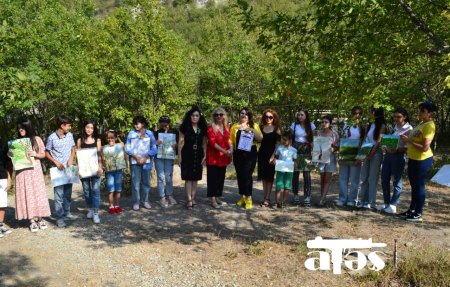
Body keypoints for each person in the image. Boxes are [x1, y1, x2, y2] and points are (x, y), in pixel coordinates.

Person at [400, 100, 437, 222]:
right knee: (414, 185)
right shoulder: (421, 124)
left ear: (430, 113)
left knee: (419, 185)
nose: (420, 113)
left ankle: (418, 213)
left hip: (422, 160)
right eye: (419, 110)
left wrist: (409, 141)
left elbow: (425, 147)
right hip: (413, 159)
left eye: (423, 111)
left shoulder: (429, 126)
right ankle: (412, 209)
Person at [45, 115, 78, 228]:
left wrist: (71, 159)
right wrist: (55, 162)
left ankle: (67, 213)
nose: (70, 127)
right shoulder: (51, 138)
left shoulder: (70, 135)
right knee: (59, 195)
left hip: (69, 169)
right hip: (58, 170)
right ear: (62, 125)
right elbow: (46, 152)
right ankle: (59, 218)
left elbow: (73, 149)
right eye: (68, 125)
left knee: (68, 193)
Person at [380, 108, 413, 214]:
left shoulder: (409, 129)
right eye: (394, 117)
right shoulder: (394, 127)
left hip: (399, 157)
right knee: (384, 179)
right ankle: (386, 203)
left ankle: (393, 205)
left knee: (396, 181)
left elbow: (408, 146)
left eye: (398, 117)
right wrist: (386, 146)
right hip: (388, 156)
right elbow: (390, 141)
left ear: (405, 117)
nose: (396, 119)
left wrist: (397, 150)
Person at [230, 107, 263, 209]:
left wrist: (251, 130)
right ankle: (242, 197)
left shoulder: (254, 125)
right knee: (240, 175)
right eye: (242, 113)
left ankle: (249, 198)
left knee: (247, 176)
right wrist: (231, 150)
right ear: (239, 114)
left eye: (246, 114)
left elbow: (260, 138)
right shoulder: (234, 126)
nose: (244, 115)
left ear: (249, 116)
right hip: (238, 153)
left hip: (250, 153)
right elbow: (230, 140)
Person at [125, 115, 157, 211]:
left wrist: (145, 157)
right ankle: (136, 202)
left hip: (146, 162)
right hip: (135, 162)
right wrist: (137, 157)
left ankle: (145, 201)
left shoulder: (149, 134)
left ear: (143, 123)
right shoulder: (131, 134)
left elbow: (154, 148)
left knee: (146, 182)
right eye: (134, 124)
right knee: (135, 183)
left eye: (137, 123)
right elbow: (127, 148)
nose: (135, 125)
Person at [178, 106, 207, 209]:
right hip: (187, 153)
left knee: (195, 178)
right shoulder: (184, 127)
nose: (195, 117)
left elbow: (204, 143)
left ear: (199, 117)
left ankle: (193, 198)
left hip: (198, 154)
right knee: (188, 178)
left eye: (197, 115)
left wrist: (205, 154)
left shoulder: (202, 128)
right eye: (193, 115)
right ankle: (189, 199)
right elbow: (180, 142)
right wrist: (179, 157)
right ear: (189, 116)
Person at [358, 106, 386, 209]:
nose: (369, 114)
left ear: (375, 112)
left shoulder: (382, 126)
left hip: (376, 153)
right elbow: (365, 138)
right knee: (364, 177)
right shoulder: (369, 125)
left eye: (371, 112)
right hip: (366, 151)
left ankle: (371, 202)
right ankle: (362, 200)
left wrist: (371, 155)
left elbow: (378, 141)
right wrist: (362, 153)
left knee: (372, 178)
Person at [337, 106, 364, 207]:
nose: (356, 115)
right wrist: (340, 154)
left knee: (354, 178)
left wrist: (360, 156)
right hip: (345, 153)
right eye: (354, 113)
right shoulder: (346, 125)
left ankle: (352, 199)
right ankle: (342, 198)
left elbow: (364, 142)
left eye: (359, 113)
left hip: (356, 154)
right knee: (343, 177)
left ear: (361, 115)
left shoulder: (363, 126)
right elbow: (342, 140)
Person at [77, 120, 103, 224]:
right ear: (84, 127)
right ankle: (91, 208)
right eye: (88, 127)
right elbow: (78, 157)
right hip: (84, 171)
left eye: (92, 128)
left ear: (94, 129)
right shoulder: (80, 140)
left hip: (95, 170)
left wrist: (100, 168)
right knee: (87, 192)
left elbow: (100, 155)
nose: (89, 129)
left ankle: (96, 213)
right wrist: (78, 169)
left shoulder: (97, 140)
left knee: (96, 191)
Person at [206, 108, 232, 209]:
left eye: (221, 114)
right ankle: (212, 199)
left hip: (223, 158)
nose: (218, 116)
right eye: (216, 115)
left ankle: (217, 197)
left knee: (220, 178)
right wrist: (225, 151)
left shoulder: (227, 127)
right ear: (214, 116)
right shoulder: (210, 127)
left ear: (224, 116)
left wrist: (231, 149)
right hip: (213, 157)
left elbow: (229, 140)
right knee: (212, 178)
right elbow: (212, 143)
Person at [290, 108, 315, 206]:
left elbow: (313, 139)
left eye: (302, 115)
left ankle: (307, 196)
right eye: (299, 115)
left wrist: (316, 150)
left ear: (306, 116)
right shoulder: (294, 125)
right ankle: (295, 195)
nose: (300, 117)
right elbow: (290, 138)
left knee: (307, 174)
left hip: (306, 149)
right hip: (295, 148)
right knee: (295, 173)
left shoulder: (311, 125)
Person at [257, 109, 281, 207]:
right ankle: (264, 197)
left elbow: (278, 144)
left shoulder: (277, 129)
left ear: (274, 118)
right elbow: (257, 140)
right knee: (263, 177)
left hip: (271, 155)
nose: (268, 119)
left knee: (270, 177)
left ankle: (267, 198)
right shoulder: (261, 127)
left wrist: (273, 156)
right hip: (262, 154)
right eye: (266, 117)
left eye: (270, 117)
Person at [154, 116, 178, 208]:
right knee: (161, 176)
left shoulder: (174, 132)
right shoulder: (156, 133)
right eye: (162, 122)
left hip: (169, 156)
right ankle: (162, 197)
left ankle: (169, 195)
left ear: (169, 123)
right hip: (159, 157)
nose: (164, 124)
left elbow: (179, 143)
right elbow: (152, 145)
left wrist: (176, 146)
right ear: (160, 123)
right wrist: (155, 143)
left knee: (168, 176)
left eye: (166, 122)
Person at [316, 115, 339, 207]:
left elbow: (337, 146)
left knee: (327, 179)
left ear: (330, 124)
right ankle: (322, 197)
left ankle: (322, 199)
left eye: (326, 122)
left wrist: (332, 149)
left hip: (330, 158)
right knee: (322, 179)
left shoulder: (334, 134)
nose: (324, 124)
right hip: (320, 158)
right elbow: (315, 146)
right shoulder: (318, 133)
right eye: (323, 122)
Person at [102, 129, 127, 215]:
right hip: (109, 172)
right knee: (110, 190)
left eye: (112, 138)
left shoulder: (120, 146)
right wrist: (103, 166)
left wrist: (126, 165)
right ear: (106, 138)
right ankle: (111, 206)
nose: (110, 140)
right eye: (108, 138)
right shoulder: (104, 148)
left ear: (116, 138)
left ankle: (117, 205)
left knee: (118, 189)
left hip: (119, 171)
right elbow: (102, 159)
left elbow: (125, 156)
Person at [273, 132, 297, 209]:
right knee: (278, 185)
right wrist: (274, 160)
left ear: (290, 140)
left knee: (287, 186)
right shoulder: (280, 148)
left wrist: (295, 164)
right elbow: (276, 157)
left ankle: (284, 202)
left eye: (285, 139)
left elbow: (295, 160)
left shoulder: (294, 150)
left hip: (289, 170)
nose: (283, 141)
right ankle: (276, 202)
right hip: (280, 169)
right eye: (283, 139)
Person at [0, 140, 13, 237]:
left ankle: (0, 226)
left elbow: (8, 165)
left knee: (2, 204)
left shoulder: (3, 147)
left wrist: (9, 179)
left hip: (2, 178)